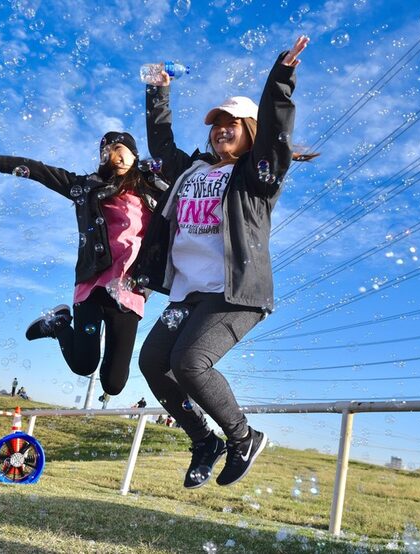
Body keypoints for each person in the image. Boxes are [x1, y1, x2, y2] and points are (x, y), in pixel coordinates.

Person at [135, 36, 316, 488]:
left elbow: (275, 133)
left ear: (250, 131)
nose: (220, 129)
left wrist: (281, 78)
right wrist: (157, 84)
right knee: (154, 361)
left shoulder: (257, 175)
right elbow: (160, 141)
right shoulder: (192, 171)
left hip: (234, 292)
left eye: (232, 123)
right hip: (189, 293)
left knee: (191, 361)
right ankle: (204, 440)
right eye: (216, 123)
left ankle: (242, 437)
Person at [0, 133, 168, 396]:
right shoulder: (87, 187)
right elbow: (44, 173)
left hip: (130, 287)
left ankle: (62, 326)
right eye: (106, 151)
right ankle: (58, 325)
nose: (114, 155)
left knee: (114, 384)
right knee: (83, 364)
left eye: (120, 148)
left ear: (135, 155)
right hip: (92, 282)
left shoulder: (157, 193)